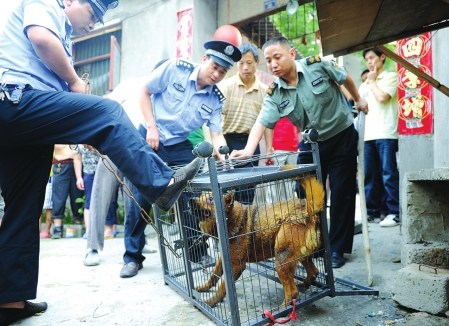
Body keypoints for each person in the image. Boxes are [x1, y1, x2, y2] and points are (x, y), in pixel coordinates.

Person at [0, 1, 201, 324]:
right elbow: (40, 39)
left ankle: (8, 301)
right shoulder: (44, 3)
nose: (94, 24)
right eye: (93, 14)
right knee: (106, 111)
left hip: (21, 121)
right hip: (14, 98)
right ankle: (162, 184)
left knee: (23, 205)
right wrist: (76, 84)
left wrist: (86, 130)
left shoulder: (64, 31)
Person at [230, 36, 368, 269]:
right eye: (268, 60)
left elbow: (345, 78)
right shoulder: (275, 93)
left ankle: (336, 249)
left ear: (291, 54)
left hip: (341, 135)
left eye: (277, 57)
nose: (273, 64)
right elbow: (262, 121)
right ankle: (315, 243)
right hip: (311, 141)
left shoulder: (318, 65)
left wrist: (358, 99)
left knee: (342, 192)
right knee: (305, 194)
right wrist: (247, 150)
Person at [120, 40, 242, 278]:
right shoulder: (176, 68)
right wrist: (152, 127)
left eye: (223, 71)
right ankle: (132, 258)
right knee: (139, 197)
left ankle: (196, 252)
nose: (217, 73)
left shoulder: (216, 99)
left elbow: (216, 134)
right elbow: (144, 91)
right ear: (205, 58)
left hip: (178, 145)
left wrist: (224, 154)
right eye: (215, 66)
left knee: (195, 196)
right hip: (149, 137)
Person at [219, 42, 269, 204]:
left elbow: (267, 121)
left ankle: (245, 228)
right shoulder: (226, 86)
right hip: (227, 141)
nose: (245, 67)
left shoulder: (264, 90)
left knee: (247, 190)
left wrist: (268, 148)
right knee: (226, 190)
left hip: (251, 143)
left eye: (249, 63)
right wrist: (216, 147)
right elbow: (215, 119)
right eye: (241, 63)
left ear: (257, 63)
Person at [359, 48, 399, 227]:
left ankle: (394, 212)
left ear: (382, 57)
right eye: (366, 59)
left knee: (388, 174)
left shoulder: (390, 77)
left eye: (372, 57)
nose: (369, 62)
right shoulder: (364, 83)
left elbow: (383, 97)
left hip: (386, 133)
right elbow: (358, 103)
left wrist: (373, 81)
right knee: (371, 176)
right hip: (368, 134)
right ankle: (372, 212)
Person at [51, 144, 84, 239]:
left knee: (77, 196)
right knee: (58, 197)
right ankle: (57, 227)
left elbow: (78, 152)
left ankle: (78, 224)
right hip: (60, 164)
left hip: (76, 163)